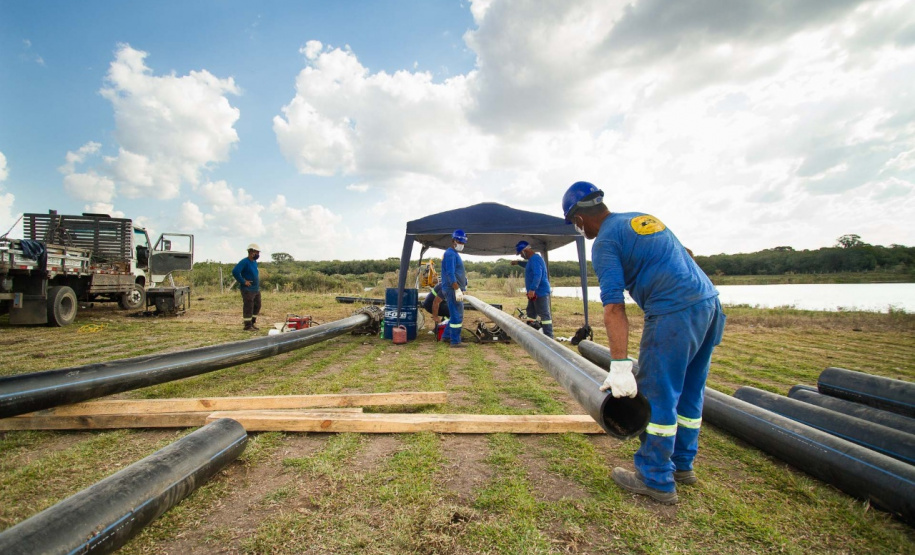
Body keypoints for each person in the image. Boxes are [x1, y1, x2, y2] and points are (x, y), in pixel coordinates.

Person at [562, 181, 726, 505]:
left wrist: (620, 366)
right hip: (709, 305)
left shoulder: (606, 241)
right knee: (691, 393)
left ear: (579, 217)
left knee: (658, 394)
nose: (577, 229)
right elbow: (686, 255)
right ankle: (681, 466)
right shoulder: (640, 219)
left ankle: (655, 478)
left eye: (573, 223)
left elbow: (613, 306)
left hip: (673, 311)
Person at [510, 240, 554, 338]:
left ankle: (549, 336)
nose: (521, 256)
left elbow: (538, 275)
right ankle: (531, 332)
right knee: (531, 312)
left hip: (539, 292)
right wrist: (518, 263)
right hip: (534, 293)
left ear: (525, 251)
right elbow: (527, 265)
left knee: (544, 314)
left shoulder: (535, 259)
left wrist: (532, 289)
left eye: (521, 253)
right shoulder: (532, 260)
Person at [440, 229, 468, 348]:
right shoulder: (450, 254)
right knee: (457, 315)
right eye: (459, 242)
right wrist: (457, 289)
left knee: (455, 314)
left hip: (453, 289)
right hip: (452, 289)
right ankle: (455, 341)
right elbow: (450, 273)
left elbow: (456, 272)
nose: (461, 244)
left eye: (462, 242)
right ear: (453, 241)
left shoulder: (454, 254)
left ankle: (446, 336)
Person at [232, 243, 262, 331]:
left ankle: (252, 323)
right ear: (251, 252)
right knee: (249, 306)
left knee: (257, 305)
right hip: (248, 290)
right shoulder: (244, 262)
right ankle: (247, 326)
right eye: (256, 252)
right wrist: (243, 281)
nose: (258, 254)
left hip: (256, 289)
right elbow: (235, 271)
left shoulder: (254, 262)